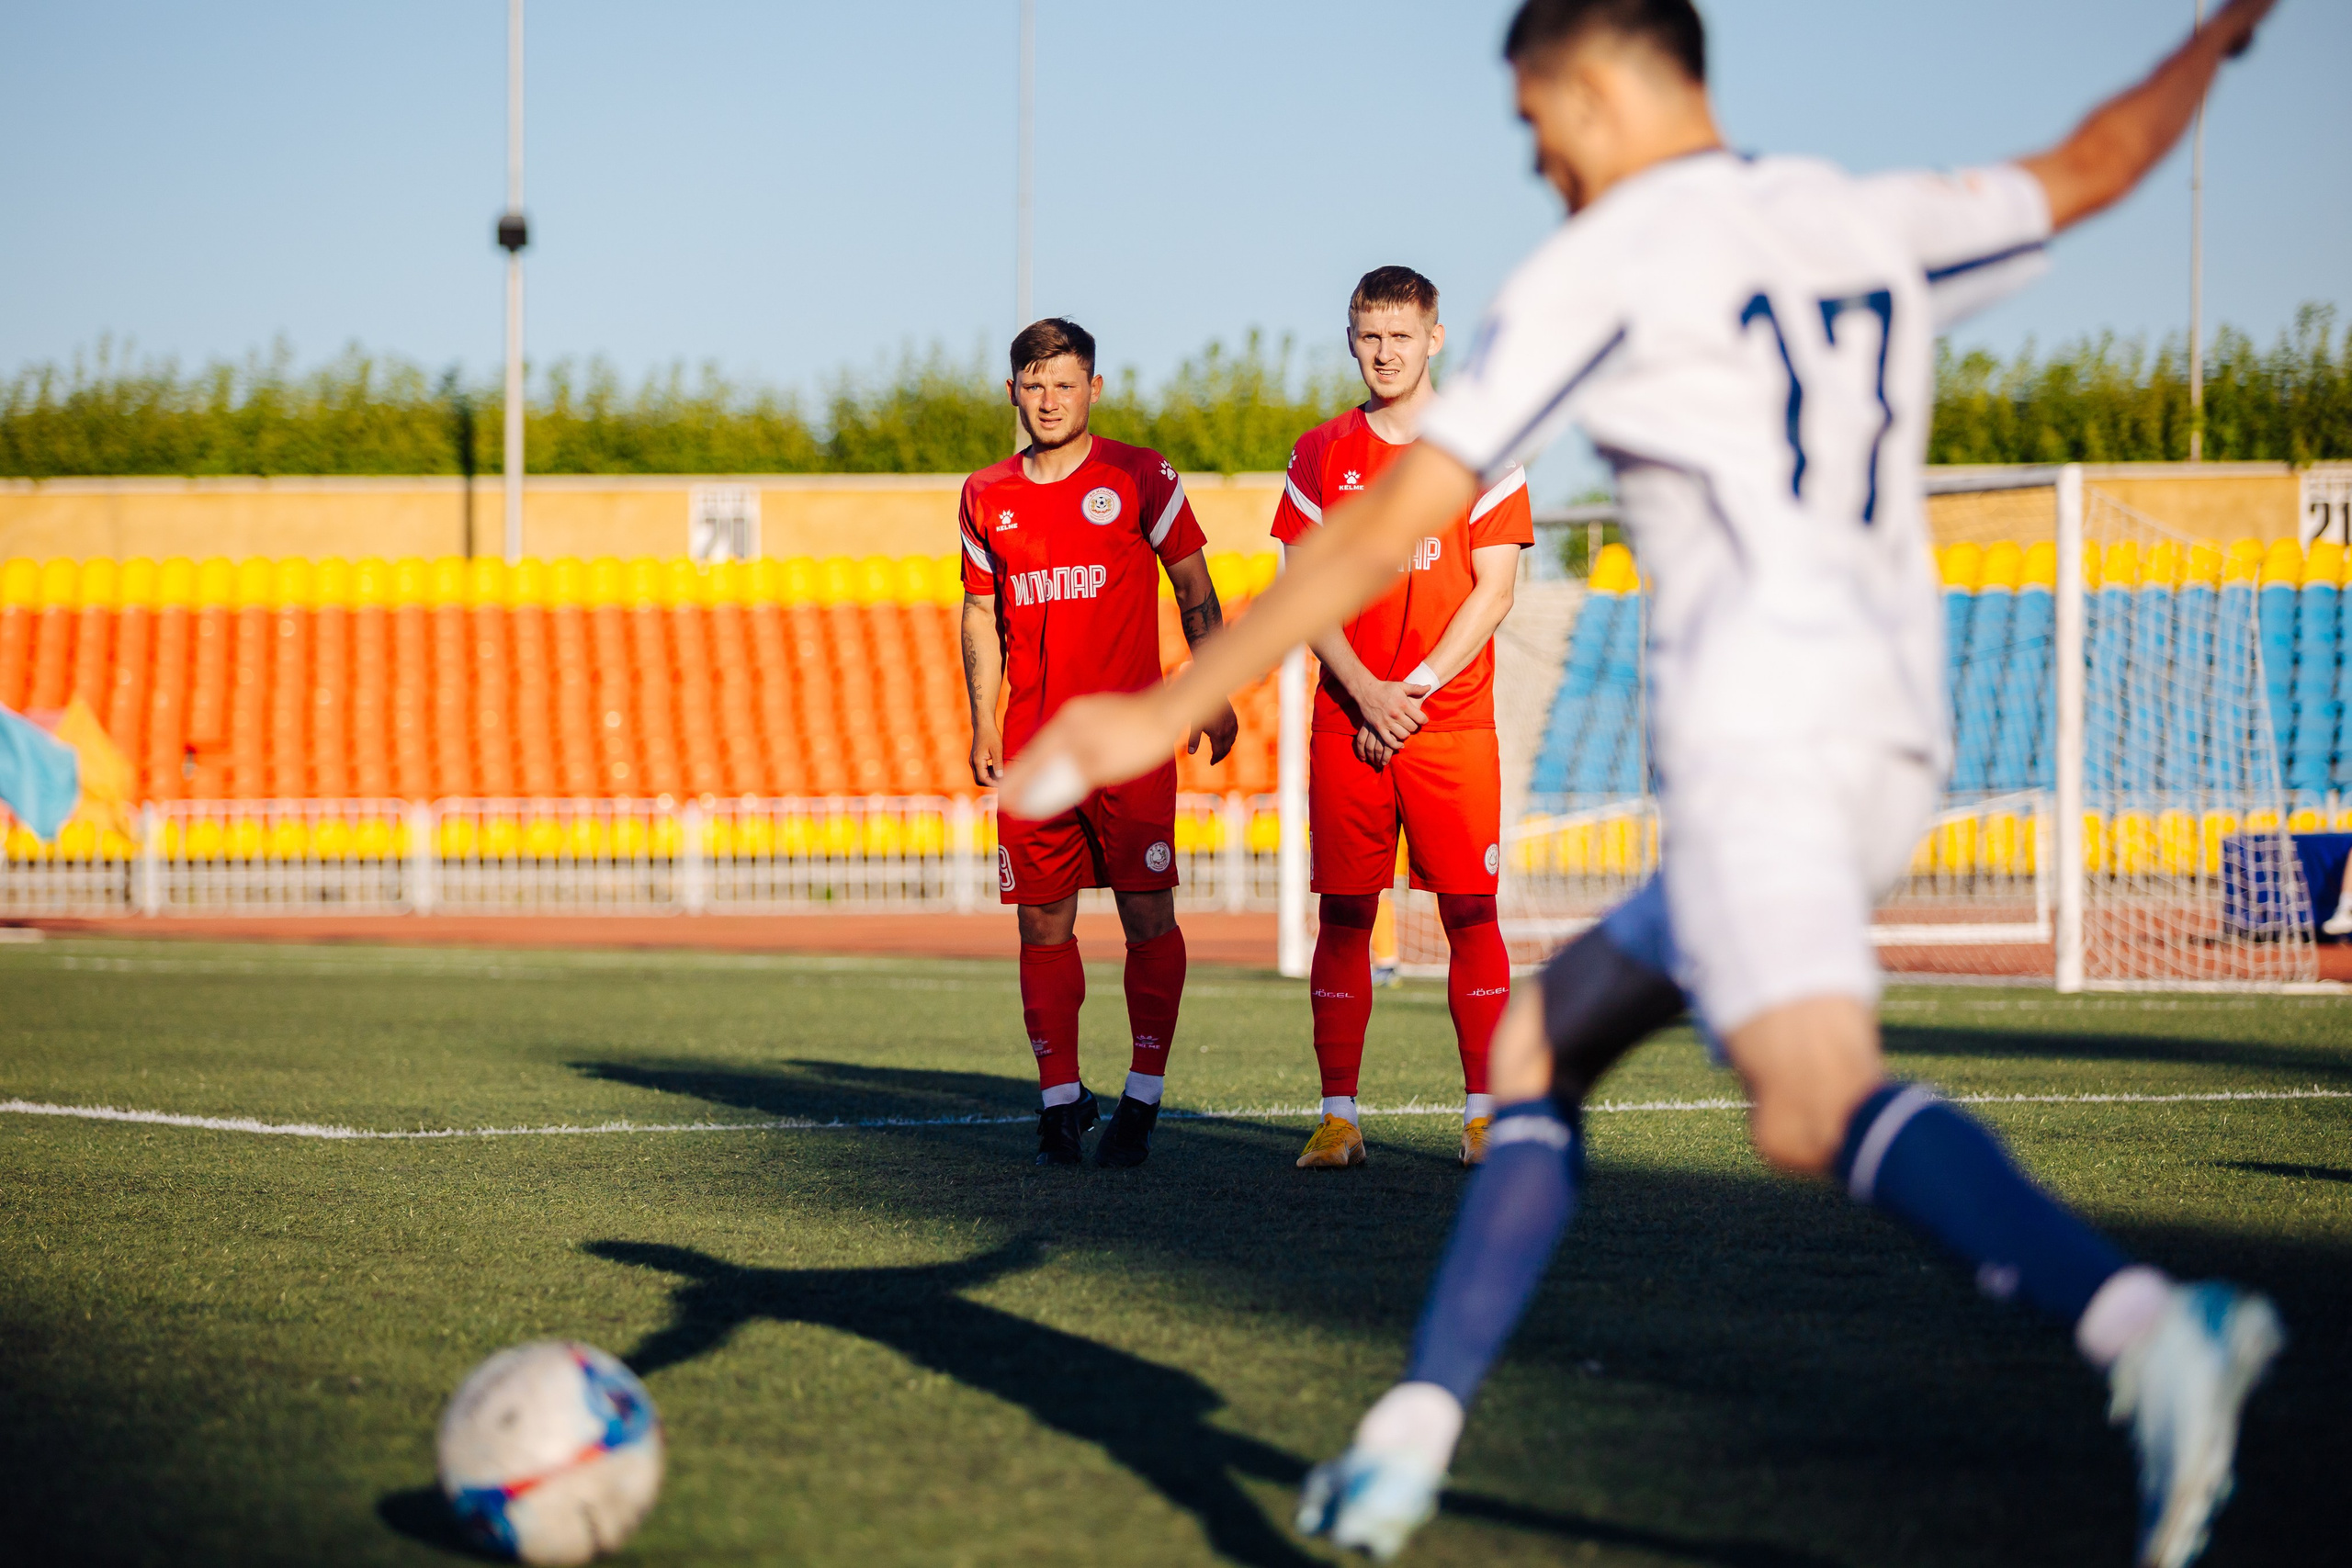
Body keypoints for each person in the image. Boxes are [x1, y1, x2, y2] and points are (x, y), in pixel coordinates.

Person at [1001, 2, 2286, 1562]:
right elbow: (2095, 163)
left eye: (1537, 122)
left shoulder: (1608, 265)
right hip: (1885, 727)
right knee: (1542, 1042)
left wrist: (1165, 704)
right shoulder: (1859, 216)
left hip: (1771, 741)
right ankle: (1418, 1423)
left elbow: (1395, 508)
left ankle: (2146, 1326)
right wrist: (2214, 44)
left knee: (1807, 1098)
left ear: (1603, 86)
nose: (1539, 162)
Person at [960, 317, 1238, 1168]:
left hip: (1131, 744)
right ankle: (1058, 1101)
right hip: (1035, 748)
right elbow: (979, 611)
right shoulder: (984, 494)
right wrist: (983, 718)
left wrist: (1212, 690)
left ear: (1095, 388)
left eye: (1065, 383)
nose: (1049, 399)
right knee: (1041, 920)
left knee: (1147, 913)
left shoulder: (1141, 474)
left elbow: (1194, 588)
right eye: (1034, 384)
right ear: (1013, 391)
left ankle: (1143, 1098)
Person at [1274, 266, 1532, 1171]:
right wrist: (1366, 691)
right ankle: (1338, 1117)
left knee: (1470, 911)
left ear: (1435, 338)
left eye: (1401, 336)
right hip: (1349, 719)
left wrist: (1408, 690)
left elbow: (1495, 592)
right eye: (1369, 336)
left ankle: (1485, 1115)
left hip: (1447, 722)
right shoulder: (1320, 453)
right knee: (1345, 914)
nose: (1385, 353)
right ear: (1351, 338)